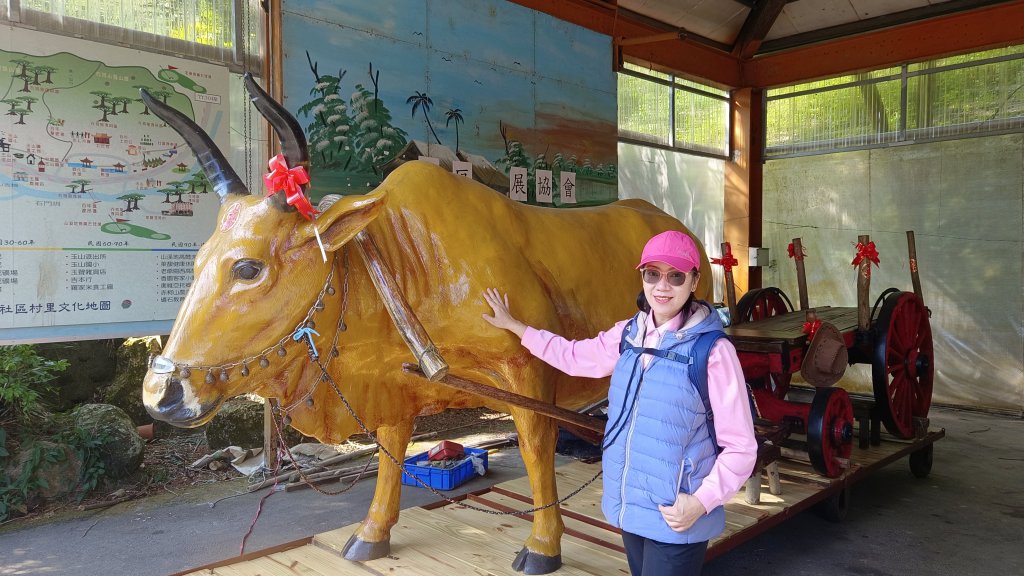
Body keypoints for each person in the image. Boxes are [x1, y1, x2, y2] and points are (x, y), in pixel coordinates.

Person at [483, 230, 757, 576]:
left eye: (676, 276)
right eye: (652, 274)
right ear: (642, 277)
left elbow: (742, 448)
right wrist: (517, 327)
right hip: (631, 505)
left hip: (678, 514)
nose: (662, 286)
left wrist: (701, 503)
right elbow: (573, 356)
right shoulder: (628, 334)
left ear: (694, 281)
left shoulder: (712, 352)